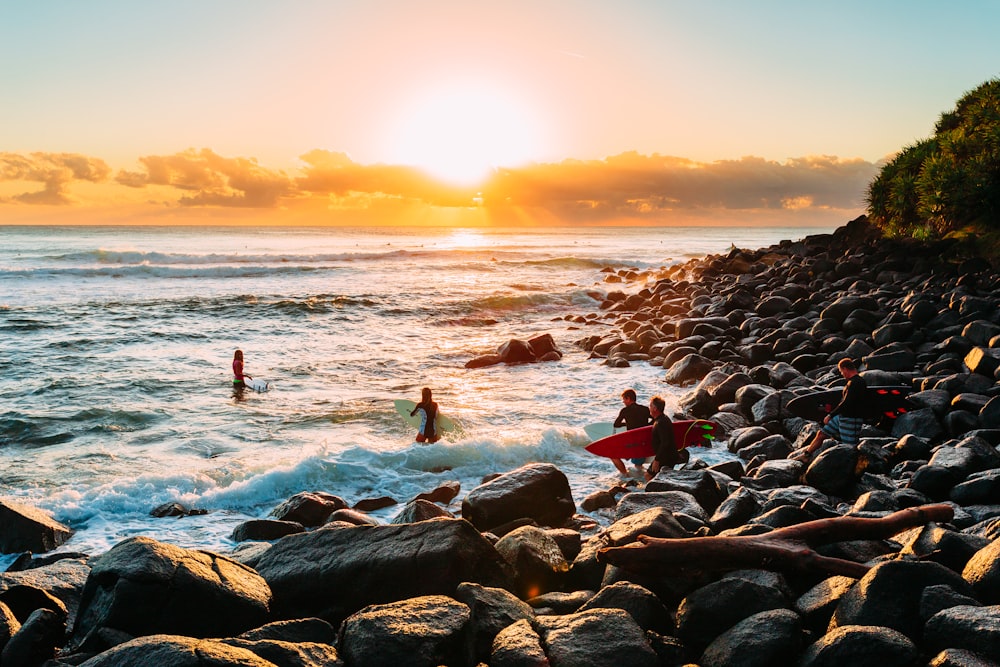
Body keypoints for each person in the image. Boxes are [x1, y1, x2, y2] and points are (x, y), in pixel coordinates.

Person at [791, 358, 868, 462]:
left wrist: (831, 415)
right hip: (842, 417)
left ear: (845, 369)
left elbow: (848, 402)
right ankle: (806, 455)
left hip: (851, 419)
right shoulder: (852, 382)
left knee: (849, 448)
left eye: (841, 371)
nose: (842, 374)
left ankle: (854, 468)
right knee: (821, 434)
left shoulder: (857, 382)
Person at [610, 389, 652, 475]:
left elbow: (616, 424)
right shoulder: (645, 409)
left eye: (624, 399)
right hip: (644, 443)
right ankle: (640, 480)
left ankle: (625, 475)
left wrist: (626, 424)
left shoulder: (625, 411)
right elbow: (655, 419)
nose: (623, 402)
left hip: (631, 443)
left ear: (628, 399)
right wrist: (647, 425)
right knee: (638, 466)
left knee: (612, 455)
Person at [645, 395, 678, 481]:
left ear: (655, 408)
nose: (649, 408)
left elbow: (665, 442)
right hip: (668, 455)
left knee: (648, 476)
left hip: (665, 457)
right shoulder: (661, 419)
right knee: (660, 478)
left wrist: (657, 460)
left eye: (650, 406)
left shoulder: (661, 423)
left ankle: (655, 494)